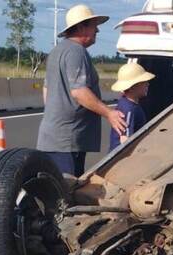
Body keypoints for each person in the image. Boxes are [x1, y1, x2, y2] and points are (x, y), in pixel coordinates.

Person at [37, 4, 126, 177]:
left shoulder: (57, 51)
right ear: (81, 27)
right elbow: (79, 91)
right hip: (67, 142)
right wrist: (109, 113)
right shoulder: (76, 52)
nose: (97, 31)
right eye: (94, 25)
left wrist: (56, 114)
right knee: (66, 192)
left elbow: (47, 90)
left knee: (50, 188)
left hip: (53, 137)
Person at [108, 63, 155, 152]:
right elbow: (126, 141)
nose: (147, 84)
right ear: (133, 86)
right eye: (143, 82)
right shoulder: (129, 109)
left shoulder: (127, 104)